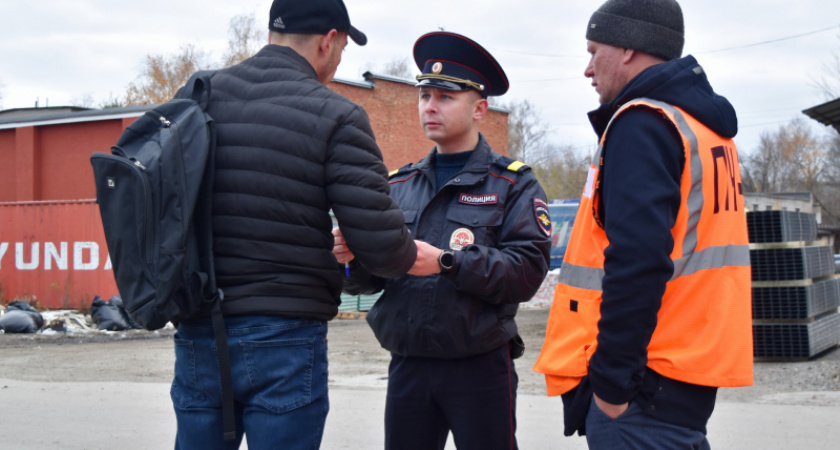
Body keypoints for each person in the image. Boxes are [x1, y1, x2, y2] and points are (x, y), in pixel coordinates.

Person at [169, 1, 418, 449]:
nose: (338, 61)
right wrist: (401, 254)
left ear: (272, 35)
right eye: (342, 49)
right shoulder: (337, 115)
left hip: (199, 325)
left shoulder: (197, 95)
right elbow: (383, 247)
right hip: (283, 336)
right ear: (328, 41)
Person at [533, 0, 753, 448]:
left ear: (628, 48)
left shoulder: (644, 123)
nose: (588, 69)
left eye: (593, 51)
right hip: (684, 376)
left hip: (641, 390)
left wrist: (612, 386)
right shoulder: (704, 129)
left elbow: (637, 261)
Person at [332, 31, 551, 450]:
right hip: (409, 366)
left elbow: (526, 273)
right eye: (424, 95)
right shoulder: (398, 185)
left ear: (480, 108)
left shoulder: (513, 184)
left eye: (445, 97)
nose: (429, 106)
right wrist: (351, 260)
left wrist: (449, 263)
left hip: (480, 367)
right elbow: (369, 282)